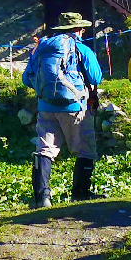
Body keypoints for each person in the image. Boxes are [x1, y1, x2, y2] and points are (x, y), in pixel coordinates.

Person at [23, 12, 107, 208]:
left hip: (45, 106)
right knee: (85, 149)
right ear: (78, 30)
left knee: (45, 150)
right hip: (75, 106)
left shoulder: (41, 49)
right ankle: (80, 194)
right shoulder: (82, 49)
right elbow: (96, 78)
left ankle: (42, 198)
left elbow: (26, 79)